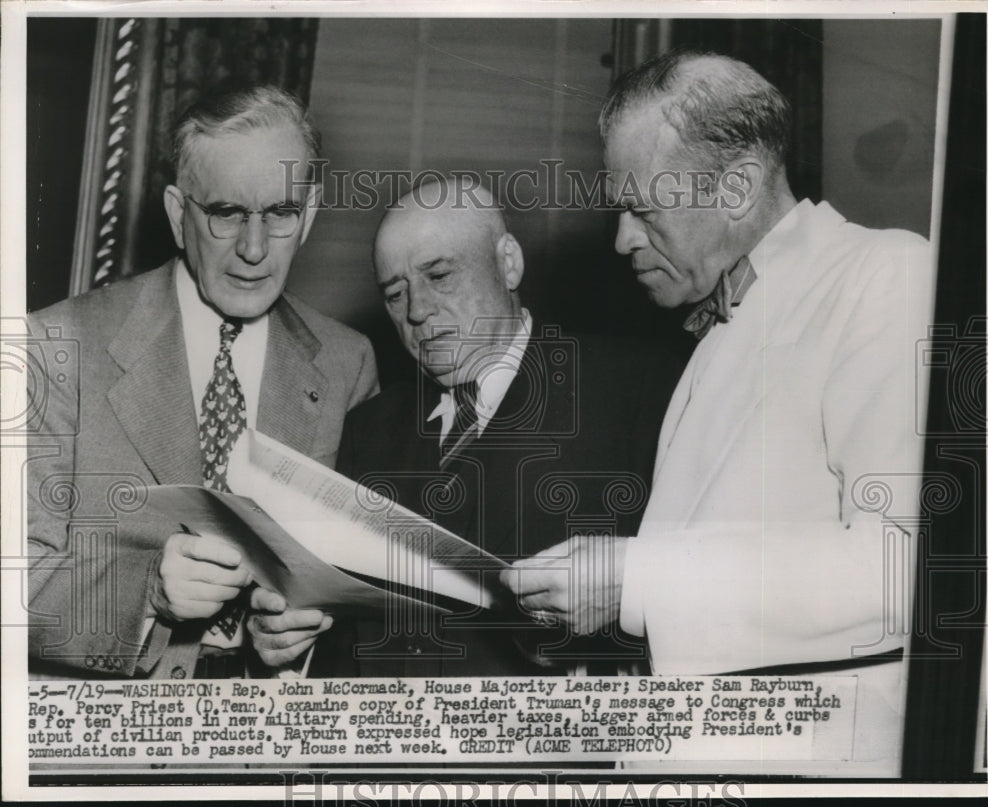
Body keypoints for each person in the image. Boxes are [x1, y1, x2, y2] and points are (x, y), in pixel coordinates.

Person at [501, 52, 936, 775]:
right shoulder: (713, 332)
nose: (622, 239)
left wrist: (633, 582)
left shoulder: (886, 274)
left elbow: (905, 568)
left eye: (643, 208)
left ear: (737, 188)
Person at [248, 178, 680, 677]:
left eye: (440, 275)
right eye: (395, 294)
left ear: (508, 262)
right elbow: (341, 634)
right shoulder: (367, 431)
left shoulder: (639, 390)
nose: (417, 310)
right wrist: (290, 643)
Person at [27, 85, 378, 680]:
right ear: (176, 212)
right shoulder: (57, 344)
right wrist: (145, 596)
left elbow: (366, 583)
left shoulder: (349, 363)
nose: (254, 249)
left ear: (309, 214)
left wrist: (308, 633)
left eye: (281, 214)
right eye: (225, 214)